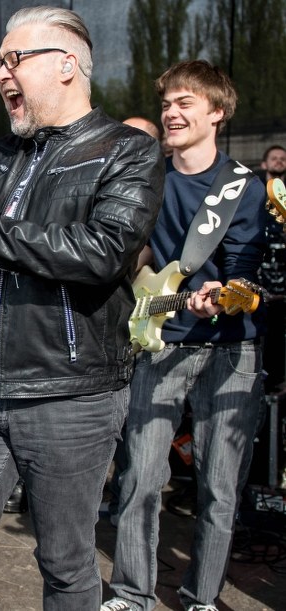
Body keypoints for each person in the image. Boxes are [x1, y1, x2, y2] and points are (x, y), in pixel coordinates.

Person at [0, 6, 165, 609]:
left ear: (65, 66)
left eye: (14, 59)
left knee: (64, 562)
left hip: (69, 395)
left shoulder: (127, 151)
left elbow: (100, 253)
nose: (1, 74)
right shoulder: (3, 154)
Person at [102, 60, 268, 611]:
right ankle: (131, 593)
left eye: (184, 104)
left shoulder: (245, 186)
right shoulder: (150, 179)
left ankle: (202, 598)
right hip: (160, 339)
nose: (170, 112)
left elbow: (246, 273)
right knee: (139, 479)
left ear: (216, 113)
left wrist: (224, 291)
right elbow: (141, 255)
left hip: (230, 347)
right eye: (167, 103)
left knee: (220, 490)